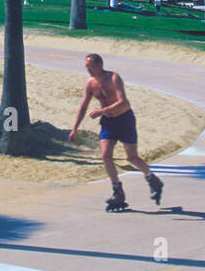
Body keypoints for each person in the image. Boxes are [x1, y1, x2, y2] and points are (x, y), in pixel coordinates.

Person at [69, 54, 163, 211]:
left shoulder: (114, 78)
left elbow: (123, 102)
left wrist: (102, 110)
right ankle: (117, 191)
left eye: (90, 66)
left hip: (125, 119)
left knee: (132, 157)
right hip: (108, 123)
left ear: (99, 65)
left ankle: (152, 179)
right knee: (105, 155)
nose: (88, 69)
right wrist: (74, 128)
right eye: (86, 66)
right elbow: (83, 106)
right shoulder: (90, 84)